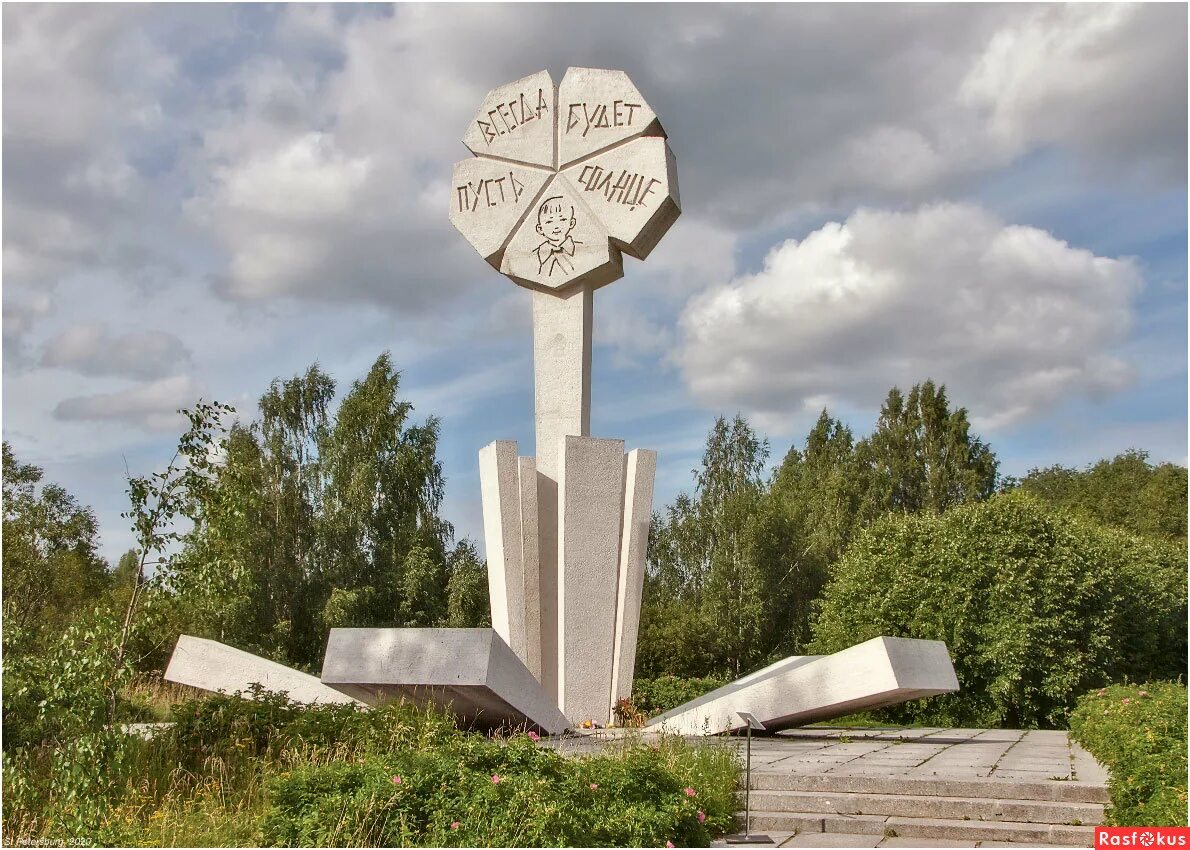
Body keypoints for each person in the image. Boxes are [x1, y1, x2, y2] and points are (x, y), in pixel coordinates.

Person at [534, 195, 582, 277]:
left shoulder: (582, 249)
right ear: (540, 228)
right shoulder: (535, 255)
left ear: (571, 223)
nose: (556, 226)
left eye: (562, 220)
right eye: (549, 221)